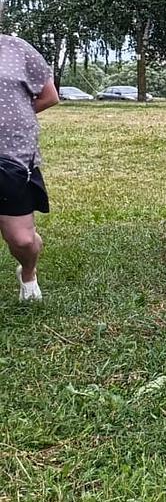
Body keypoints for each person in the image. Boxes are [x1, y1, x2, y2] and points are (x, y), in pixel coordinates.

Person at [0, 33, 58, 301]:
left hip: (12, 156)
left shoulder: (16, 48)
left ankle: (28, 272)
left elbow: (48, 96)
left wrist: (13, 117)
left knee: (22, 240)